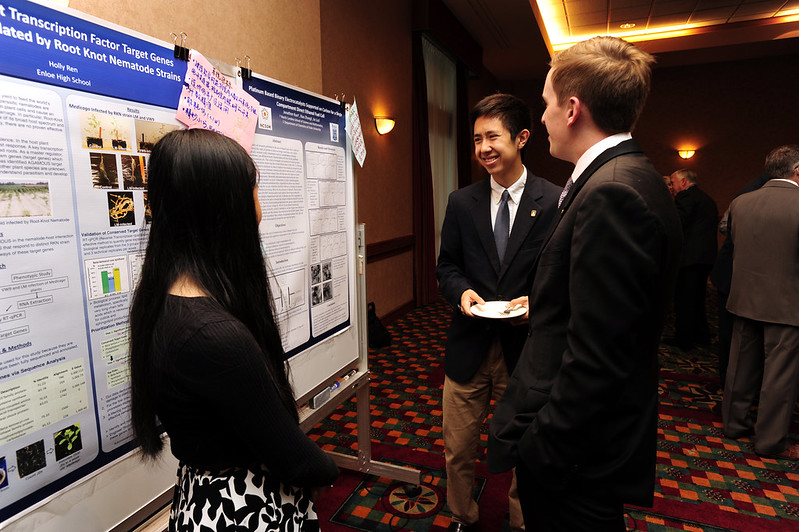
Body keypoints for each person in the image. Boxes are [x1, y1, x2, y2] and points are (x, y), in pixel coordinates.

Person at [488, 36, 682, 531]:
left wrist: (542, 449)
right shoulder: (623, 176)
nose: (543, 117)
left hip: (575, 456)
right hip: (588, 446)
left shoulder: (612, 192)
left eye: (547, 104)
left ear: (572, 109)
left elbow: (600, 358)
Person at [129, 129, 338, 531]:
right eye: (252, 192)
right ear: (222, 209)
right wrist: (330, 470)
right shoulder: (214, 336)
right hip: (243, 509)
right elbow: (293, 459)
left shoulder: (162, 299)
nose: (259, 210)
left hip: (200, 496)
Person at [436, 93, 561, 532]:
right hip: (468, 345)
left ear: (521, 138)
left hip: (525, 348)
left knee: (526, 446)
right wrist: (461, 292)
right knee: (458, 446)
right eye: (476, 140)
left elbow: (561, 274)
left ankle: (522, 519)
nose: (483, 148)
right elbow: (447, 267)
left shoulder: (555, 201)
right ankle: (461, 514)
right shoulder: (461, 202)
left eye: (492, 137)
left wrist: (536, 302)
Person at [722, 144, 799, 460]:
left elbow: (734, 240)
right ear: (797, 171)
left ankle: (734, 425)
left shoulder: (741, 202)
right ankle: (770, 441)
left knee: (740, 368)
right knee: (779, 377)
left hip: (744, 297)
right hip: (787, 303)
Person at [709, 171, 770, 386]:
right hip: (734, 275)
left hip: (743, 276)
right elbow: (726, 225)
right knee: (733, 336)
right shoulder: (753, 192)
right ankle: (730, 385)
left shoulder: (761, 188)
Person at [666, 169, 718, 349]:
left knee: (685, 300)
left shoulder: (685, 197)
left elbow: (679, 223)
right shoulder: (705, 198)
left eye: (673, 183)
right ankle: (701, 336)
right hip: (705, 258)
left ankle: (684, 339)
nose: (672, 187)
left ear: (683, 182)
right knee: (697, 299)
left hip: (689, 258)